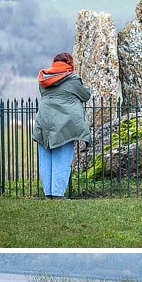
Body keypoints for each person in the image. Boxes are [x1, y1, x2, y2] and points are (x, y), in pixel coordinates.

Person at [32, 52, 91, 198]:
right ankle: (58, 194)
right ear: (70, 64)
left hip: (44, 121)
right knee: (62, 158)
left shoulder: (44, 79)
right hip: (64, 123)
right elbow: (85, 95)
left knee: (45, 158)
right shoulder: (72, 79)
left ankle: (48, 193)